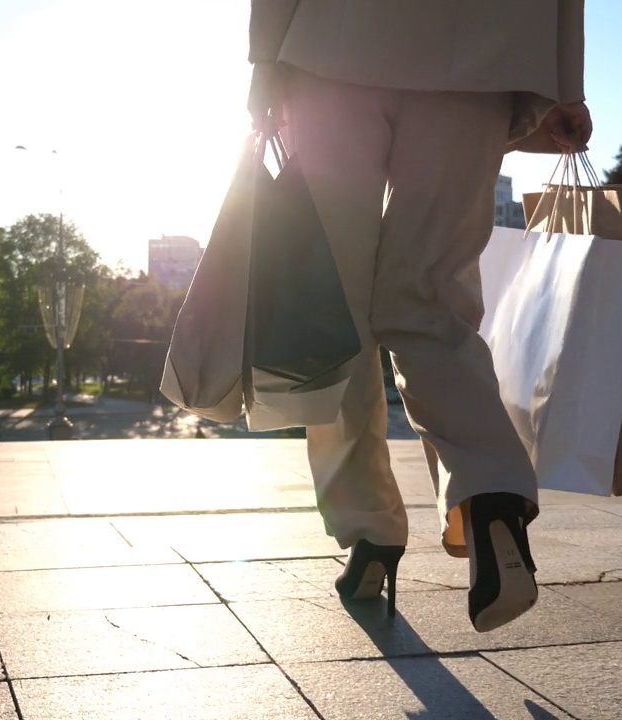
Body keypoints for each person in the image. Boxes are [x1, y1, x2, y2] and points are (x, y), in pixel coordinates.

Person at [247, 0, 591, 632]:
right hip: (487, 48)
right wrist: (566, 84)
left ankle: (370, 530)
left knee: (334, 307)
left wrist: (264, 60)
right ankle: (491, 496)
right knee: (429, 298)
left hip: (333, 44)